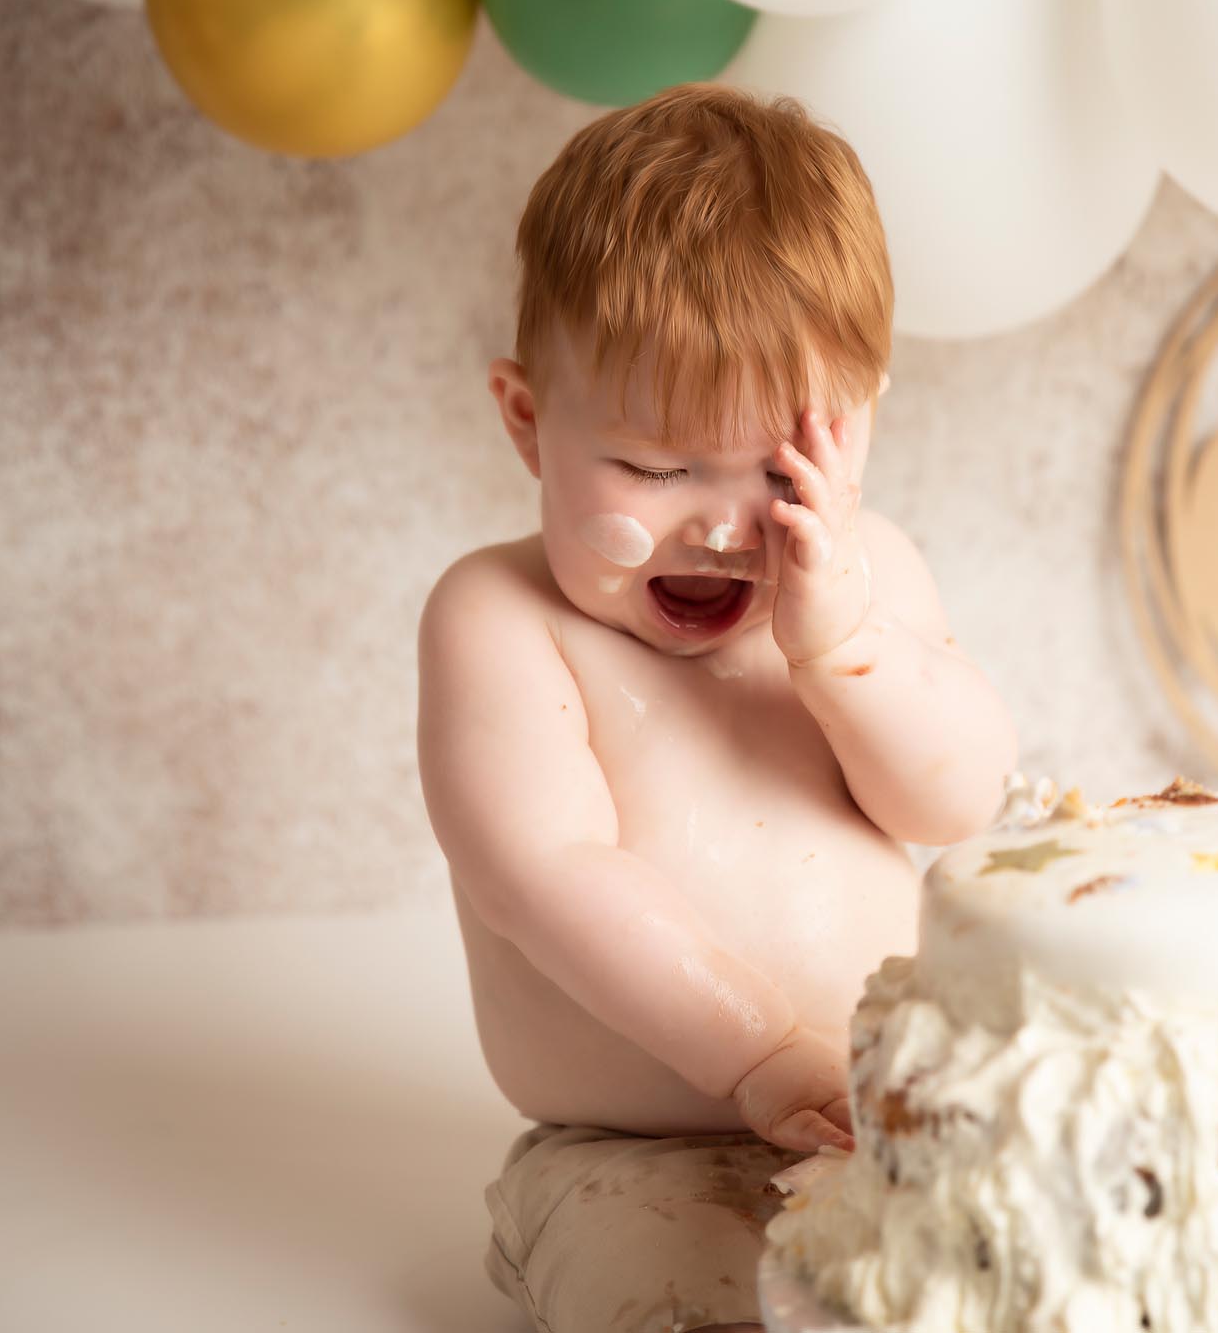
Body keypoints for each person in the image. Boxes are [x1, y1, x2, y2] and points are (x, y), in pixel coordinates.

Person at [417, 82, 1017, 1333]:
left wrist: (841, 646)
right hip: (633, 1146)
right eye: (649, 465)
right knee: (689, 1308)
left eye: (780, 469)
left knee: (1029, 1280)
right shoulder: (501, 621)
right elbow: (546, 872)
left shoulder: (867, 578)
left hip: (889, 1110)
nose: (723, 524)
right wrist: (757, 1053)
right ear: (529, 422)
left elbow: (958, 800)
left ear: (853, 426)